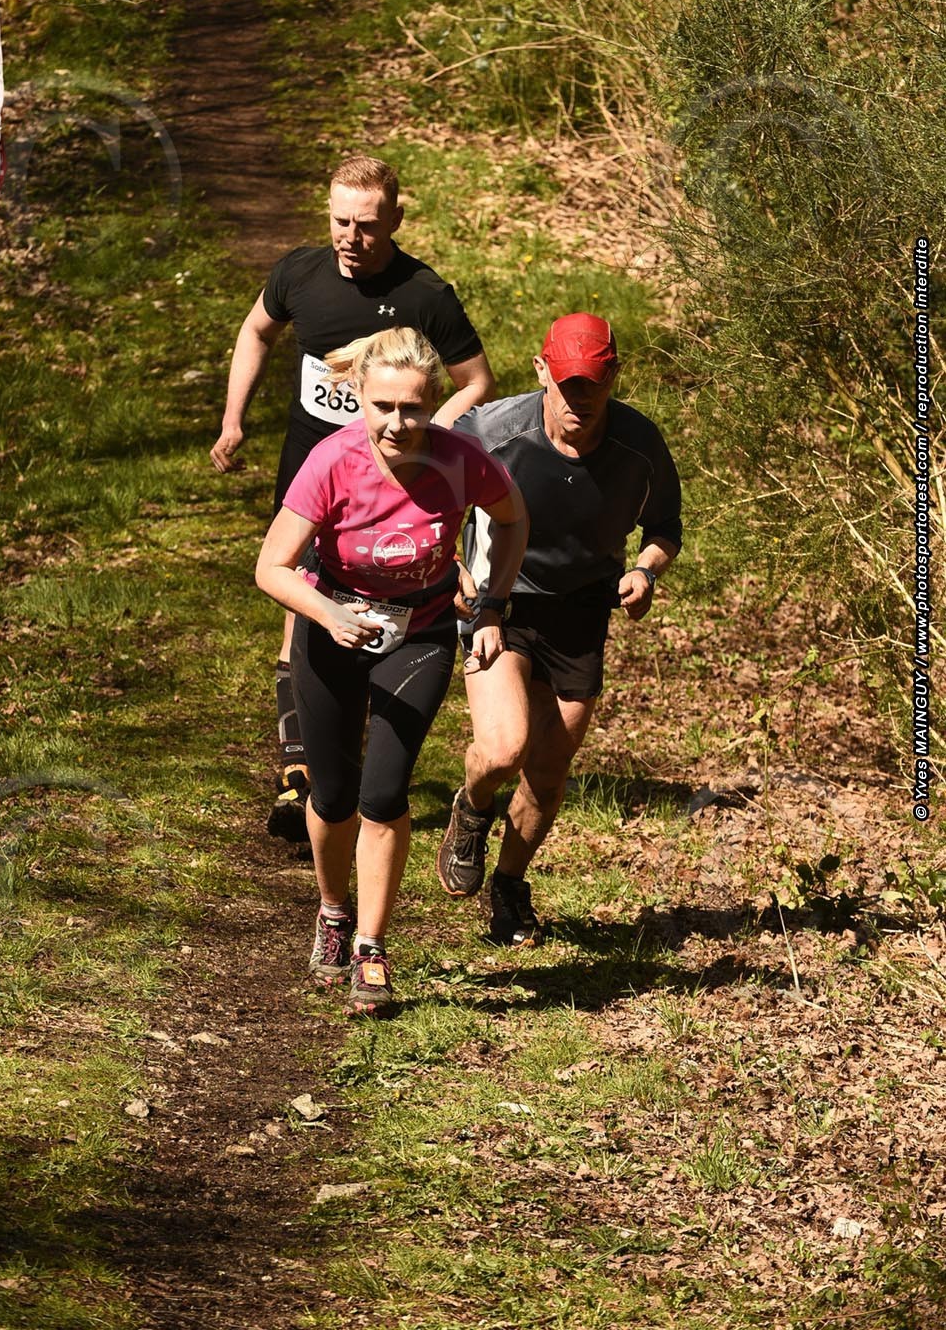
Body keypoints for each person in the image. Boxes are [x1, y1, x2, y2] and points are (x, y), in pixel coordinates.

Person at [212, 156, 495, 843]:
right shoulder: (300, 273)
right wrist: (233, 418)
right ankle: (300, 772)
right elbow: (256, 330)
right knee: (303, 601)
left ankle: (361, 747)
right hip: (313, 469)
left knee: (381, 594)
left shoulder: (424, 293)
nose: (350, 237)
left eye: (366, 225)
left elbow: (476, 379)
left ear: (395, 220)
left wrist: (426, 437)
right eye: (340, 220)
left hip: (395, 484)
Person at [255, 327, 526, 1013]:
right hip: (332, 631)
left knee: (383, 795)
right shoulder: (331, 461)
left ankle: (371, 948)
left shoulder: (460, 461)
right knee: (333, 795)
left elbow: (512, 519)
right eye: (383, 407)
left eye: (413, 408)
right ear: (359, 398)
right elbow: (271, 567)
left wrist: (492, 606)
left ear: (434, 402)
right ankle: (333, 910)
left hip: (420, 635)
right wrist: (327, 613)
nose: (398, 423)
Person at [436, 312, 682, 946]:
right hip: (500, 602)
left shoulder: (639, 445)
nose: (579, 399)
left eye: (593, 384)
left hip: (581, 612)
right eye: (568, 383)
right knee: (503, 750)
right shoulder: (492, 432)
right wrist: (453, 567)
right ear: (542, 371)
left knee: (548, 771)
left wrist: (645, 571)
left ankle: (509, 887)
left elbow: (664, 529)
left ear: (614, 376)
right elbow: (428, 501)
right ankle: (473, 805)